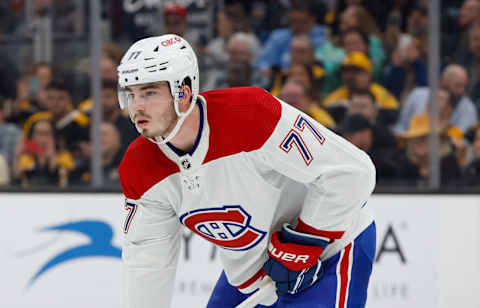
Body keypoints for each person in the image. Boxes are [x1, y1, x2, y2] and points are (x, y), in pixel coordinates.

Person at [117, 34, 376, 308]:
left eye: (149, 92)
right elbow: (147, 266)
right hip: (252, 276)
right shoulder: (139, 167)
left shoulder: (250, 114)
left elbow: (352, 172)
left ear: (184, 91)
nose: (137, 107)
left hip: (331, 248)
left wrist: (303, 244)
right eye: (130, 94)